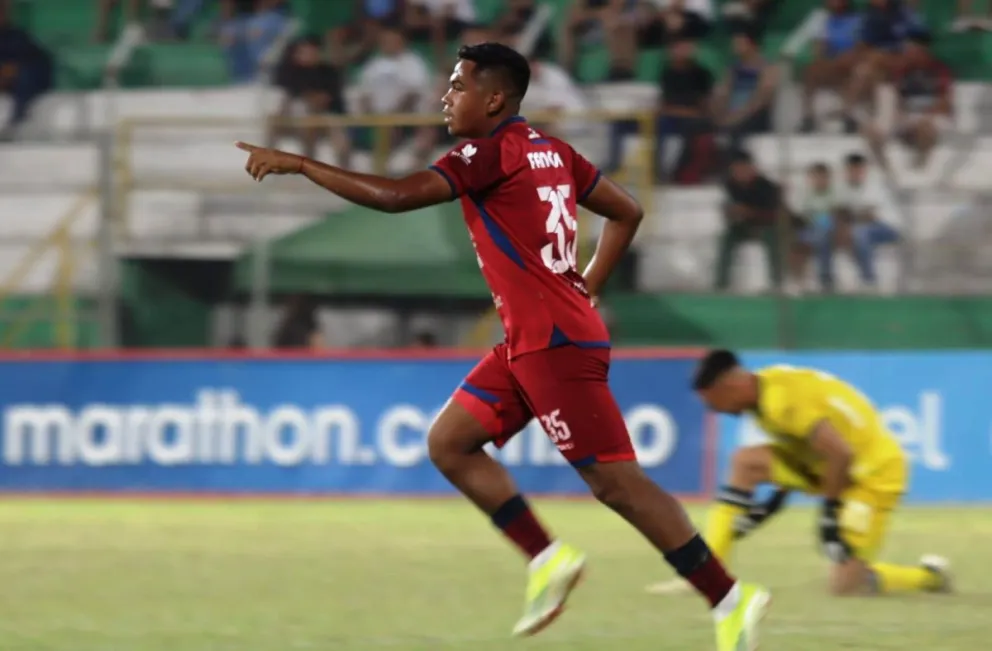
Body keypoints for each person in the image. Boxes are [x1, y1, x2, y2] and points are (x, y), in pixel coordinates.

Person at [234, 41, 769, 649]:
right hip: (535, 337)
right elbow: (628, 211)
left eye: (458, 85)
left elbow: (395, 197)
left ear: (493, 99)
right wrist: (584, 287)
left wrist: (302, 165)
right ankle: (548, 559)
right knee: (451, 443)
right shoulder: (552, 151)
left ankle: (730, 597)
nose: (446, 95)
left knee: (618, 484)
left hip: (554, 344)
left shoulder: (486, 154)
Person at [646, 350, 953, 597]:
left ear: (732, 385)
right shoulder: (765, 391)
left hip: (871, 474)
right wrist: (773, 502)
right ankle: (706, 574)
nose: (718, 412)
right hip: (827, 466)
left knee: (846, 586)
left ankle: (929, 577)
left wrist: (829, 516)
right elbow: (805, 445)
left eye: (716, 403)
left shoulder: (782, 402)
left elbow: (840, 452)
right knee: (746, 462)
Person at [863, 31, 953, 170]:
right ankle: (883, 166)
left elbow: (945, 101)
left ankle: (920, 164)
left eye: (912, 50)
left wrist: (927, 117)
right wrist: (900, 116)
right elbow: (896, 97)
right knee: (871, 131)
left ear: (923, 50)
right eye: (907, 50)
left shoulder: (939, 69)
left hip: (932, 115)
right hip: (908, 114)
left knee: (925, 129)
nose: (908, 53)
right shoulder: (903, 70)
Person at [835, 153, 899, 292]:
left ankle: (869, 280)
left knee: (860, 233)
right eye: (851, 169)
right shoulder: (843, 188)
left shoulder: (874, 185)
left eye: (858, 169)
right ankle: (829, 281)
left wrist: (848, 219)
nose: (854, 173)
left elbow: (870, 216)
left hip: (888, 227)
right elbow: (840, 212)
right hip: (860, 227)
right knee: (840, 233)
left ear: (864, 170)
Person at [799, 0, 863, 133]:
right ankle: (808, 118)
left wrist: (849, 57)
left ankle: (848, 116)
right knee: (811, 70)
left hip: (853, 63)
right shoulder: (822, 19)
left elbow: (861, 48)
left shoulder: (858, 20)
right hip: (832, 64)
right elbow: (818, 52)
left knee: (852, 65)